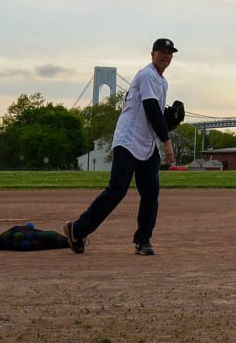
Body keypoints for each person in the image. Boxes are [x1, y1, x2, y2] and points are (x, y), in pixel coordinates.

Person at [64, 38, 178, 256]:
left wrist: (170, 123)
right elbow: (151, 108)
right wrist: (167, 140)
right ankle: (77, 230)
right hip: (128, 140)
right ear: (152, 54)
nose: (166, 56)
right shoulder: (146, 75)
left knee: (151, 191)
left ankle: (143, 240)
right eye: (162, 52)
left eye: (170, 53)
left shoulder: (163, 82)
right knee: (117, 189)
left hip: (147, 143)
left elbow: (156, 115)